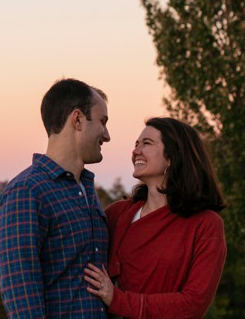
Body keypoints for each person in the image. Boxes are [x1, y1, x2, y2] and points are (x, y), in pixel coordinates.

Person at [84, 117, 227, 319]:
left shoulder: (205, 224)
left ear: (172, 156)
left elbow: (194, 303)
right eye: (136, 144)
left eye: (146, 144)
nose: (136, 151)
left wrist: (118, 300)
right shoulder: (118, 215)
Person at [0, 78, 111, 318]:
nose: (107, 135)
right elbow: (21, 297)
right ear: (77, 120)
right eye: (102, 121)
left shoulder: (86, 190)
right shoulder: (27, 191)